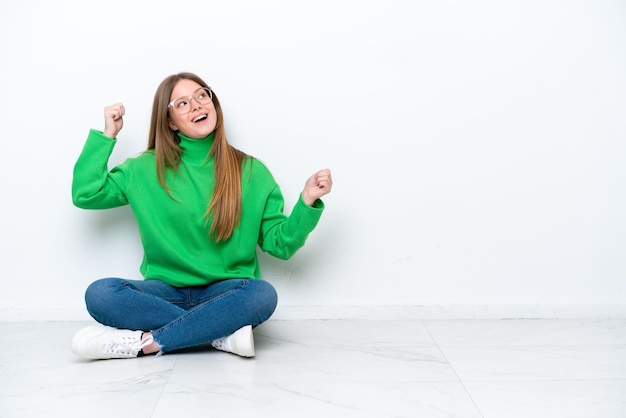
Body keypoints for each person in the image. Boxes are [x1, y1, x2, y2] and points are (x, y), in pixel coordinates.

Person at [70, 72, 332, 360]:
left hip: (227, 292)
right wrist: (108, 136)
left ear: (213, 103)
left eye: (201, 95)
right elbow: (86, 194)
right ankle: (219, 333)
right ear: (169, 121)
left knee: (262, 295)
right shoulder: (143, 169)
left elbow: (281, 245)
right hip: (165, 291)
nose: (196, 105)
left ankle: (147, 343)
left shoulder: (252, 172)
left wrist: (307, 202)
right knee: (101, 293)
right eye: (181, 103)